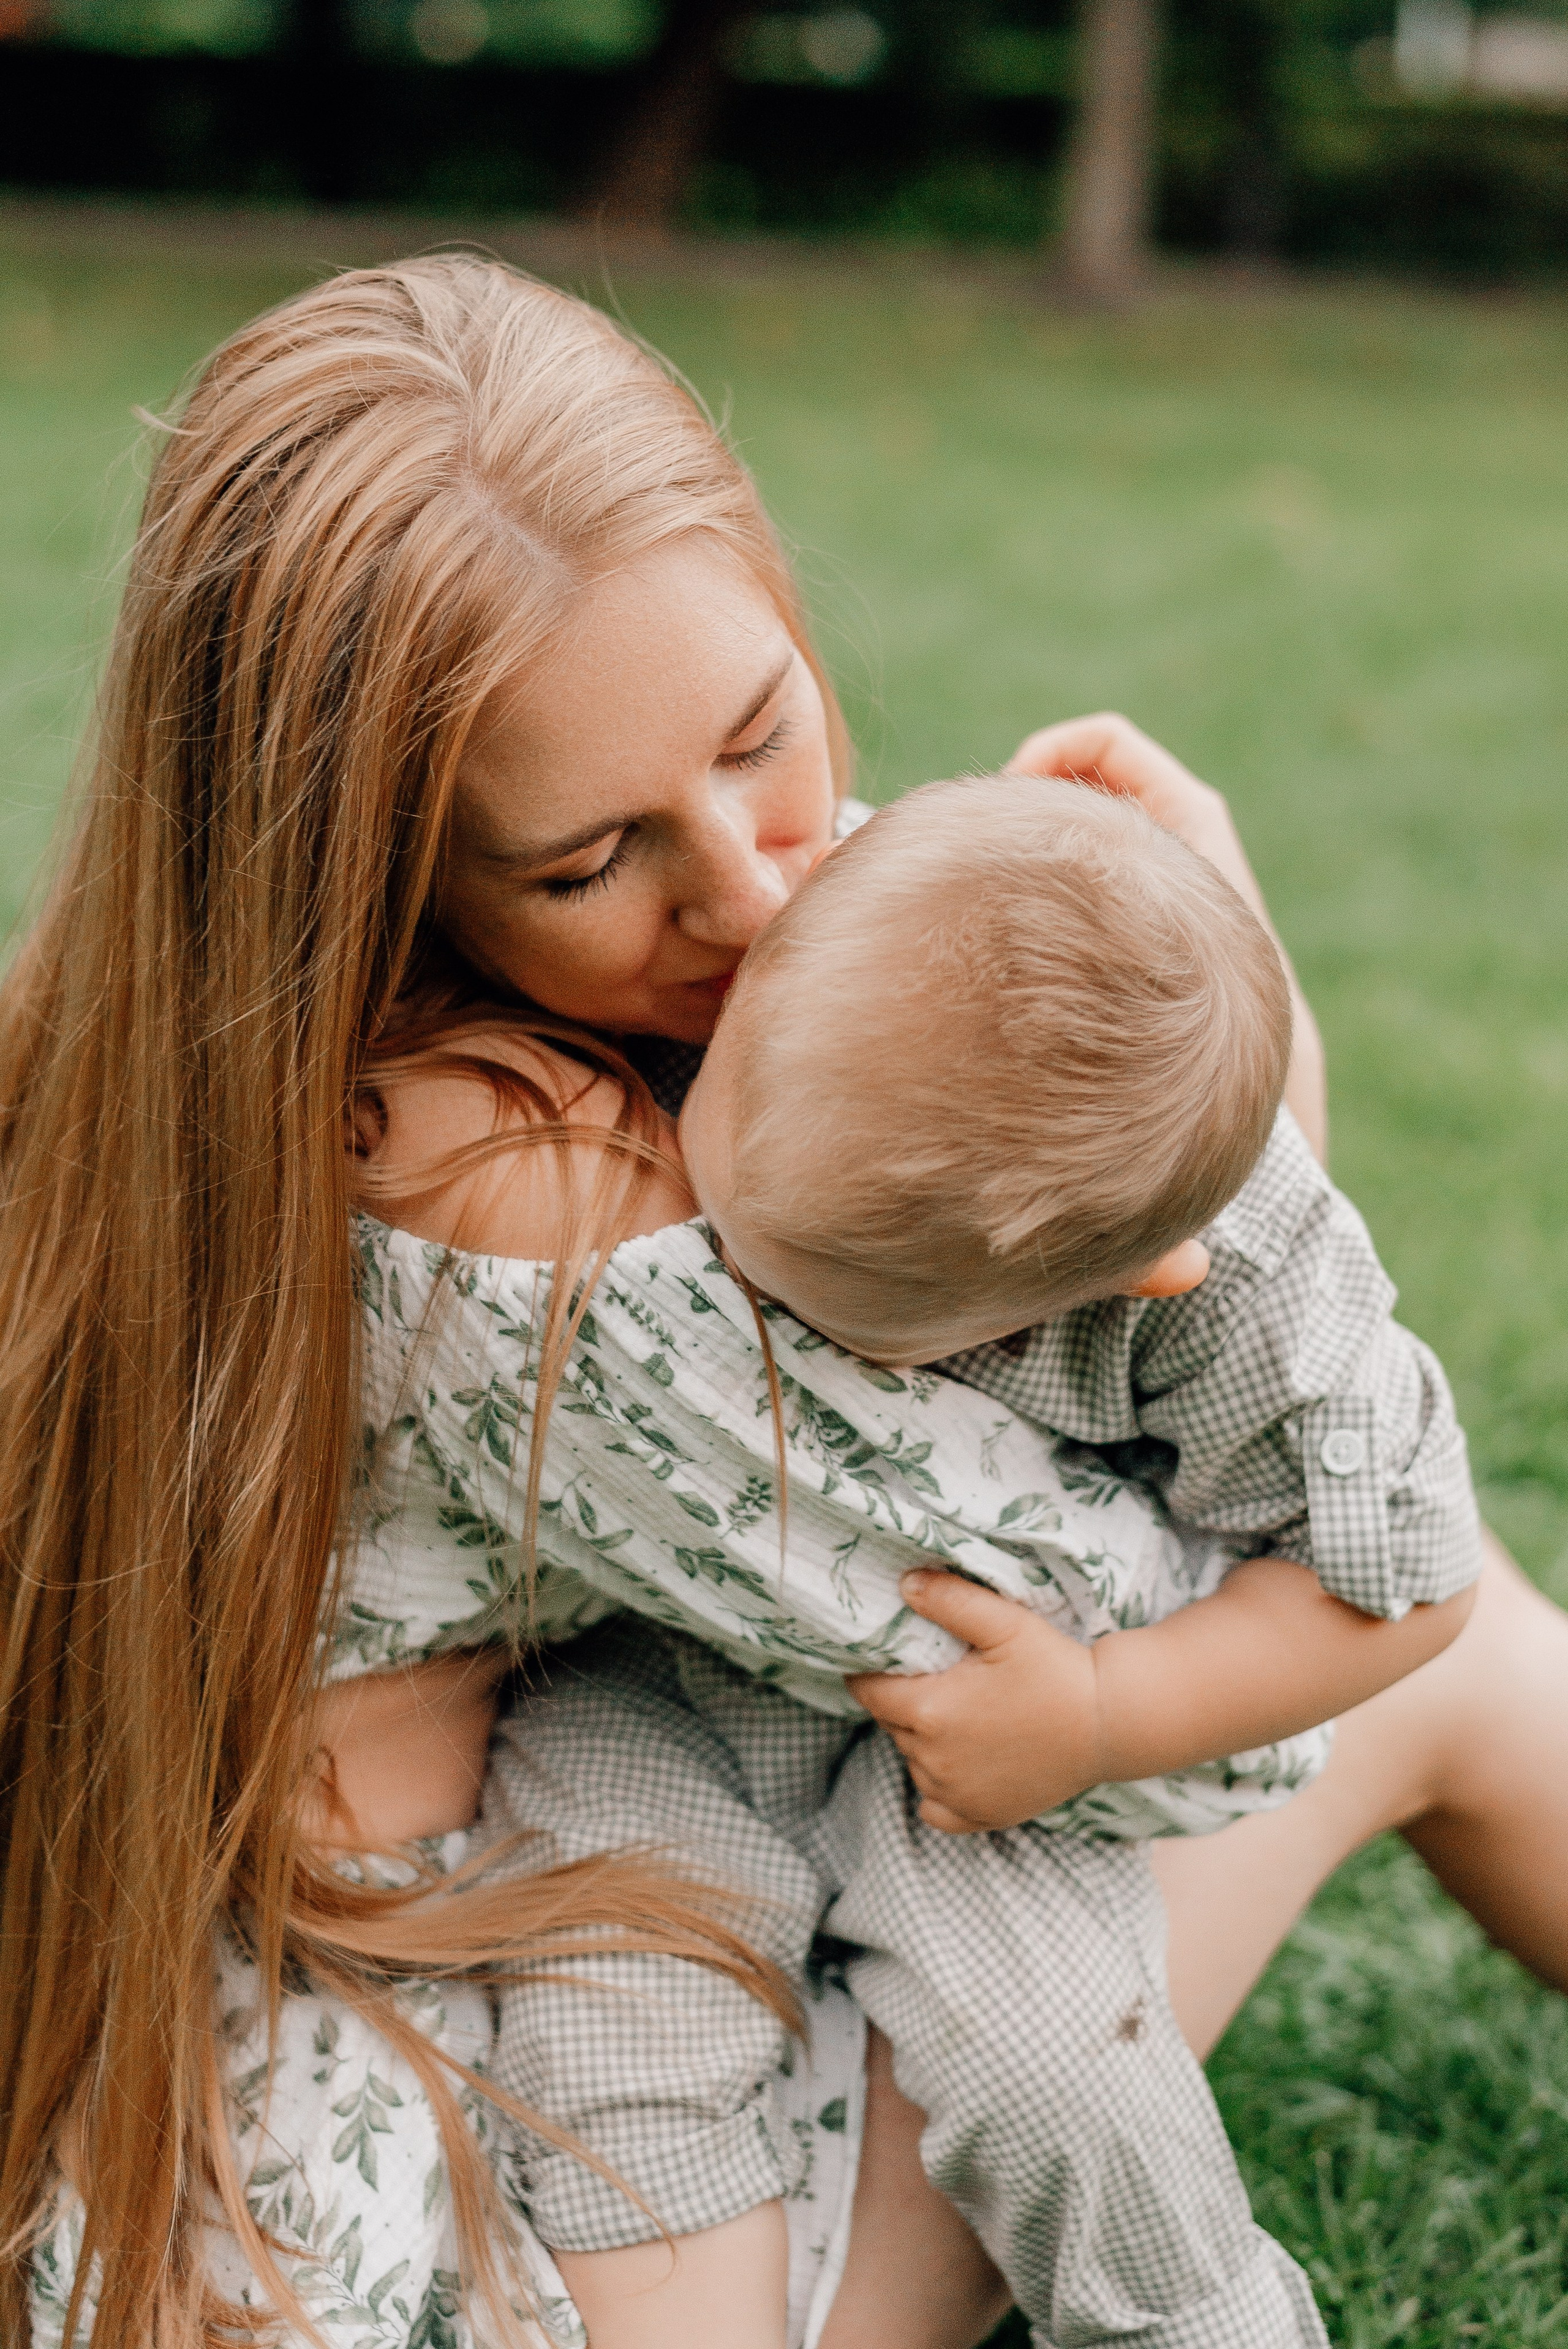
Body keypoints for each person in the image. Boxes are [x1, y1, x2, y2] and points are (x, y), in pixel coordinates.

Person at [2, 254, 1563, 2349]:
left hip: (310, 2078)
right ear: (369, 871)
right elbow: (1120, 1666)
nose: (747, 891)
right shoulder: (522, 1205)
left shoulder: (170, 1064)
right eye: (588, 864)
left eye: (760, 736)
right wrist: (1238, 1107)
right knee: (1407, 1640)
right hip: (434, 2245)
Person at [356, 767, 1477, 2348]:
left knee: (1062, 2080)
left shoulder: (1249, 1283)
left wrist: (1102, 1717)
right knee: (609, 1989)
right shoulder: (833, 953)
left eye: (833, 1288)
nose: (730, 1274)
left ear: (1127, 1281)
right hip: (673, 1668)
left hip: (996, 1745)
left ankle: (1195, 2323)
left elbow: (1410, 1584)